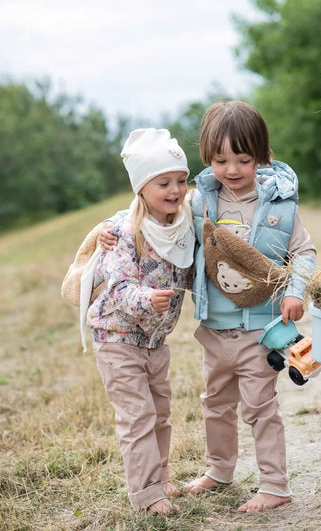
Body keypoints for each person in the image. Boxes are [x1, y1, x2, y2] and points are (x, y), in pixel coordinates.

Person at [100, 101, 317, 513]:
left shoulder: (281, 206)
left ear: (261, 156)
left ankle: (274, 483)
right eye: (220, 160)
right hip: (214, 330)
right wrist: (106, 233)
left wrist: (296, 290)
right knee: (215, 404)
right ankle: (219, 470)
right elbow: (149, 214)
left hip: (261, 327)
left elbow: (303, 251)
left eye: (243, 159)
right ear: (207, 158)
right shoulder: (199, 203)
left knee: (260, 406)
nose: (232, 169)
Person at [87, 128, 194, 516]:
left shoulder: (182, 227)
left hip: (155, 342)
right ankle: (147, 495)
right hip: (117, 338)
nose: (175, 189)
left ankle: (162, 477)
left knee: (161, 412)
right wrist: (147, 298)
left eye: (181, 180)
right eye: (163, 182)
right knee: (137, 417)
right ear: (141, 187)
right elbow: (115, 289)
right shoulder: (122, 232)